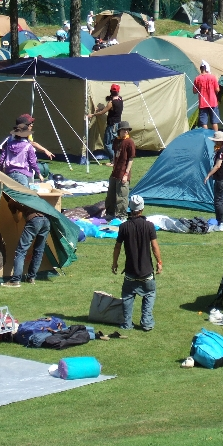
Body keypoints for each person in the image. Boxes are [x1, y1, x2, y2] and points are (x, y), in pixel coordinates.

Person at [112, 195, 162, 332]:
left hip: (130, 272)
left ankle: (127, 323)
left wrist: (115, 263)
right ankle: (146, 323)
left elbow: (117, 247)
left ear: (130, 207)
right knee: (149, 294)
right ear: (142, 208)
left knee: (128, 295)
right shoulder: (149, 226)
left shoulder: (123, 227)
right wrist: (159, 262)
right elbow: (155, 247)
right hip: (147, 272)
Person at [2, 205, 51, 288]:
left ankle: (15, 280)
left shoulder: (13, 200)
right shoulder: (32, 195)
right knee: (39, 250)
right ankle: (31, 278)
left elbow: (16, 219)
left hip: (34, 220)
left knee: (21, 250)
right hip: (46, 220)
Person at [0, 116, 43, 187]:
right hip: (23, 175)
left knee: (10, 195)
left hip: (9, 174)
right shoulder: (28, 147)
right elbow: (32, 162)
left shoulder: (8, 145)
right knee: (23, 196)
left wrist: (0, 170)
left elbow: (1, 160)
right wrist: (39, 173)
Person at [105, 120, 135, 220]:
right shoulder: (117, 141)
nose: (126, 131)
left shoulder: (129, 142)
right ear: (119, 131)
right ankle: (110, 214)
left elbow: (131, 159)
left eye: (127, 130)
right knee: (110, 195)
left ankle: (122, 216)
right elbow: (115, 155)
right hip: (115, 172)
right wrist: (113, 165)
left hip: (123, 173)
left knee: (122, 196)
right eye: (124, 130)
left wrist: (126, 174)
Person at [204, 131, 223, 231]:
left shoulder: (221, 151)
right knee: (221, 197)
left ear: (220, 142)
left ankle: (220, 222)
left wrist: (208, 175)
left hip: (222, 179)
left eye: (216, 141)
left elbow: (217, 165)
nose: (215, 143)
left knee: (217, 201)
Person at [87, 83, 123, 164]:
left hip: (112, 125)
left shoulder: (111, 102)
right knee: (114, 143)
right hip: (117, 124)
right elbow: (108, 108)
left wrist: (92, 115)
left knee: (107, 144)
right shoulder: (120, 99)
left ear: (111, 91)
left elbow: (102, 113)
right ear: (118, 91)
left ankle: (113, 161)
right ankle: (116, 160)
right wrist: (101, 108)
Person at [193, 61, 220, 131]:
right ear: (207, 68)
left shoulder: (197, 78)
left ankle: (207, 136)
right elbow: (217, 90)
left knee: (204, 122)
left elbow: (194, 91)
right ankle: (216, 135)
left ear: (201, 69)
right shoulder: (212, 77)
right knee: (214, 121)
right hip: (213, 102)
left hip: (203, 103)